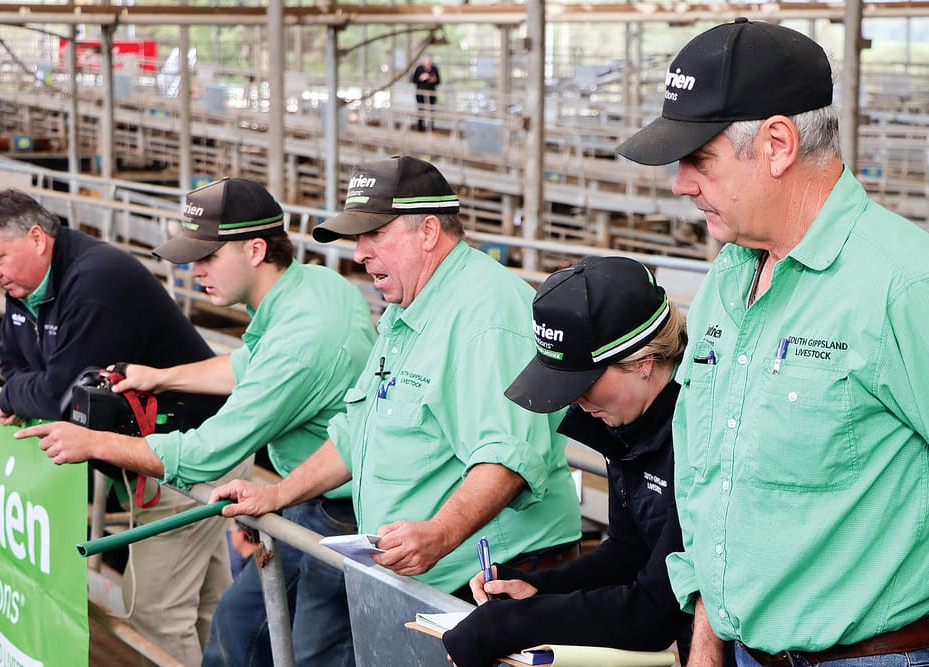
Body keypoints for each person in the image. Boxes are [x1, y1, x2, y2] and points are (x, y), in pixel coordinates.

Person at [616, 17, 929, 667]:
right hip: (744, 652)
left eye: (699, 159)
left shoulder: (903, 286)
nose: (681, 183)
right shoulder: (727, 279)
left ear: (778, 144)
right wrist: (707, 643)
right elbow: (712, 483)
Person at [15, 177, 376, 667]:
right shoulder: (316, 286)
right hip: (321, 493)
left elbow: (205, 455)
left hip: (339, 509)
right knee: (239, 625)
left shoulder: (301, 341)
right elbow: (249, 364)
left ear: (255, 250)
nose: (194, 269)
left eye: (207, 257)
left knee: (305, 650)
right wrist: (160, 376)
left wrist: (93, 442)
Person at [210, 155, 582, 598]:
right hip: (426, 572)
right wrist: (277, 495)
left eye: (375, 234)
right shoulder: (409, 307)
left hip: (491, 577)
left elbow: (506, 457)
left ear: (428, 231)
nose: (359, 253)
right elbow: (355, 432)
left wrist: (440, 533)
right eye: (358, 237)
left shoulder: (487, 313)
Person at [0, 188, 233, 667]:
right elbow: (13, 366)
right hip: (149, 457)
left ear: (37, 239)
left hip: (188, 454)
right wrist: (23, 388)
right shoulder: (25, 286)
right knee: (211, 604)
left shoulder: (97, 281)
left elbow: (60, 397)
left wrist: (15, 394)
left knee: (158, 614)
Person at [442, 256, 692, 666]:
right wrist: (538, 588)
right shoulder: (628, 417)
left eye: (583, 382)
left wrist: (510, 625)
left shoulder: (699, 428)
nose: (575, 400)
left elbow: (656, 609)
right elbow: (628, 553)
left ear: (644, 362)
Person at [411, 54, 440, 131]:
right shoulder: (419, 69)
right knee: (421, 109)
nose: (429, 63)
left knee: (431, 110)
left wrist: (433, 79)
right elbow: (414, 80)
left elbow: (438, 81)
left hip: (431, 93)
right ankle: (420, 127)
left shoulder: (434, 69)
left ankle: (431, 127)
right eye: (427, 62)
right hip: (420, 93)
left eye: (430, 62)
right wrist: (421, 78)